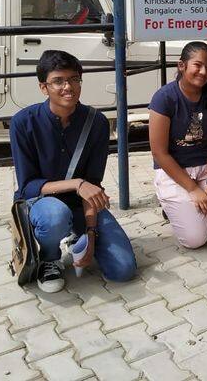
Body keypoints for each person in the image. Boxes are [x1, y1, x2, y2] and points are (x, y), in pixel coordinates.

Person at [10, 50, 136, 292]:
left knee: (123, 269)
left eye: (74, 79)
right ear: (43, 87)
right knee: (55, 216)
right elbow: (28, 186)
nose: (68, 87)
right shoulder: (23, 123)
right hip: (43, 204)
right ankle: (49, 257)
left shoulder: (96, 122)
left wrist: (91, 234)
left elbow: (93, 186)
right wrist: (76, 184)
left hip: (80, 205)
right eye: (58, 81)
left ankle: (76, 237)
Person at [149, 41, 207, 248]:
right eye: (197, 65)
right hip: (175, 172)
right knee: (195, 239)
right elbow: (159, 153)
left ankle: (189, 209)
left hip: (206, 169)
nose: (203, 72)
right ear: (181, 66)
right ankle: (172, 205)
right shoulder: (164, 98)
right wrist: (192, 189)